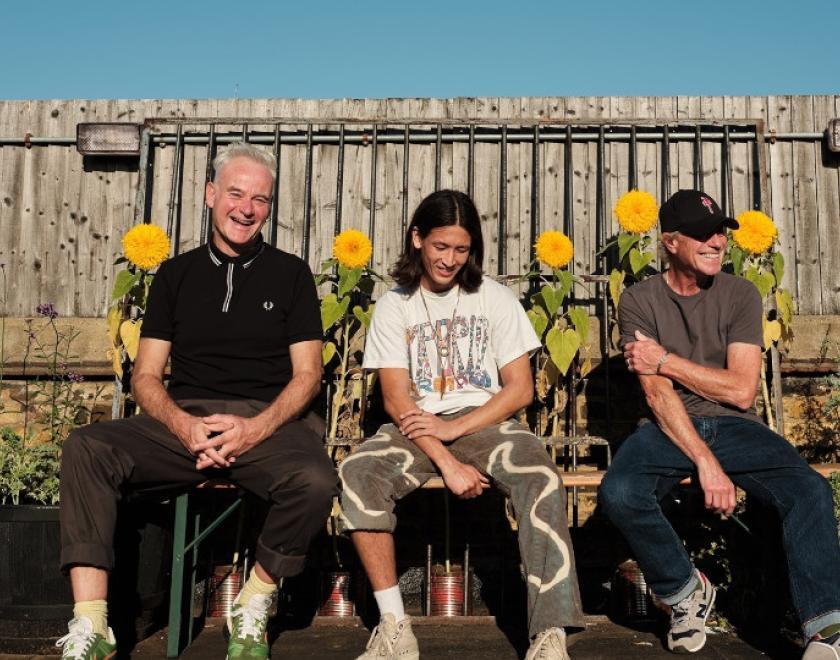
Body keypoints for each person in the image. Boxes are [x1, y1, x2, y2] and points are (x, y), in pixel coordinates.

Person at [57, 142, 338, 660]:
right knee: (86, 447)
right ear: (211, 195)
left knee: (317, 480)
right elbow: (145, 377)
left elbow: (307, 376)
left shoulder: (292, 274)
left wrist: (254, 430)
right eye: (235, 193)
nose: (246, 208)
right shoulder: (174, 274)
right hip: (181, 419)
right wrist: (184, 425)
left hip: (266, 422)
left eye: (260, 199)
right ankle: (92, 625)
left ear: (269, 208)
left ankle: (252, 603)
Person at [338, 190, 585, 660]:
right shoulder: (396, 305)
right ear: (417, 239)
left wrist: (458, 428)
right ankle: (395, 627)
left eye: (461, 249)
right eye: (440, 247)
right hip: (415, 427)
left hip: (488, 423)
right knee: (358, 474)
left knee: (541, 478)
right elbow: (395, 398)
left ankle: (550, 633)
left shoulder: (494, 297)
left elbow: (519, 390)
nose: (449, 260)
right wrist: (446, 458)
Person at [599, 189, 840, 657]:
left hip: (738, 427)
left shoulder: (740, 294)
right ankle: (686, 593)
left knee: (809, 489)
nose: (717, 243)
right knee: (620, 492)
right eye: (702, 235)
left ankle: (825, 626)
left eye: (720, 233)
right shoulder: (638, 300)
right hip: (668, 427)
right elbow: (657, 394)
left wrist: (664, 358)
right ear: (670, 242)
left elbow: (740, 390)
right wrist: (706, 462)